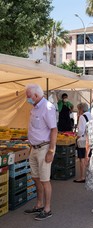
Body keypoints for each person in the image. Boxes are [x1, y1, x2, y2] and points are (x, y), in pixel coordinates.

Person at [24, 84, 58, 220]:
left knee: (45, 180)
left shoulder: (48, 107)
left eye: (29, 97)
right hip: (34, 148)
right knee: (36, 178)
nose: (27, 99)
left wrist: (51, 150)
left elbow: (54, 129)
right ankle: (39, 204)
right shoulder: (34, 108)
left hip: (44, 148)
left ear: (36, 96)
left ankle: (47, 208)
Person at [73, 102, 92, 183]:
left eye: (78, 109)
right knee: (89, 158)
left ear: (81, 109)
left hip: (83, 140)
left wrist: (77, 136)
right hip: (90, 139)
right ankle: (91, 176)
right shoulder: (90, 115)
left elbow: (81, 130)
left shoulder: (82, 117)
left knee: (82, 159)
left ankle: (82, 177)